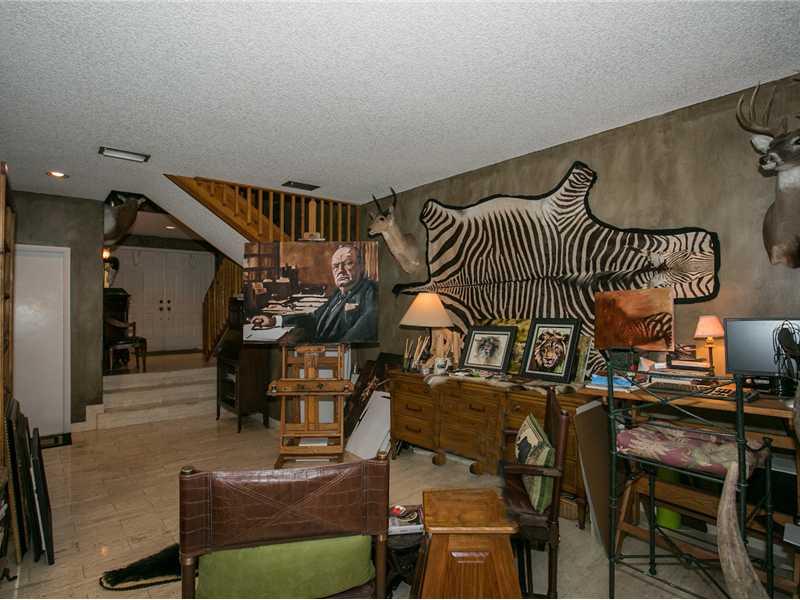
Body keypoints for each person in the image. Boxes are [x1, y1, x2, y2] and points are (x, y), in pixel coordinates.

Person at [252, 245, 377, 343]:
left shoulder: (370, 291)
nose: (340, 270)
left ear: (361, 266)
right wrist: (274, 320)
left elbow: (359, 334)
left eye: (348, 263)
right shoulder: (338, 293)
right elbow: (313, 318)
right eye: (336, 266)